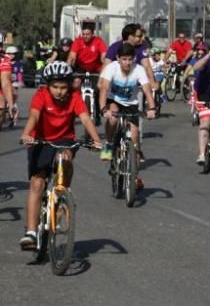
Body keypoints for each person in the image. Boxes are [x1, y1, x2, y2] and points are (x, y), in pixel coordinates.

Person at [18, 61, 103, 250]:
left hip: (65, 139)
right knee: (37, 182)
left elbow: (85, 118)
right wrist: (26, 134)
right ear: (48, 86)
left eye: (63, 87)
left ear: (69, 85)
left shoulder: (75, 97)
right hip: (39, 139)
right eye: (55, 87)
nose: (59, 91)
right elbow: (34, 116)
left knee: (65, 158)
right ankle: (31, 231)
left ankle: (63, 192)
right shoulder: (40, 96)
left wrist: (97, 140)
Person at [97, 43, 157, 189]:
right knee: (113, 118)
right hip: (114, 101)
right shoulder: (111, 68)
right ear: (118, 58)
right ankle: (110, 144)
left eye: (130, 59)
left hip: (131, 104)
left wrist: (152, 108)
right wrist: (104, 109)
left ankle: (134, 175)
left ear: (134, 59)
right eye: (124, 59)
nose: (127, 63)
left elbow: (147, 90)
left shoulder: (139, 70)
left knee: (135, 136)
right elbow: (104, 89)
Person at [68, 21, 108, 90]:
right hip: (81, 68)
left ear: (92, 34)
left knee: (100, 86)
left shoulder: (99, 41)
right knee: (76, 84)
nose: (85, 36)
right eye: (83, 34)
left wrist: (104, 63)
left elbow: (104, 57)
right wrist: (68, 68)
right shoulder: (78, 41)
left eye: (87, 34)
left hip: (95, 69)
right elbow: (71, 57)